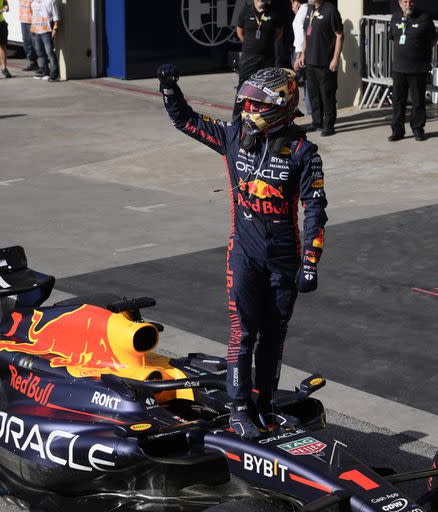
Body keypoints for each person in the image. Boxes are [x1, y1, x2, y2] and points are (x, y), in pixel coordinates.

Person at [157, 64, 327, 438]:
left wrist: (310, 263)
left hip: (285, 260)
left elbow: (315, 209)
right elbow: (185, 121)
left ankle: (264, 404)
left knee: (274, 336)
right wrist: (169, 88)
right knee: (243, 333)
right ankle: (238, 408)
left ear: (281, 106)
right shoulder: (232, 136)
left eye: (255, 105)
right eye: (245, 104)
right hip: (244, 255)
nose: (247, 112)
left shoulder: (304, 152)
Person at [388, 0, 437, 142]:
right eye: (405, 1)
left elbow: (433, 40)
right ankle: (397, 131)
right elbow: (393, 38)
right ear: (400, 3)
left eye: (410, 1)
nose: (408, 4)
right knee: (398, 101)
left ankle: (418, 129)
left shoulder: (424, 18)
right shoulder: (395, 17)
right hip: (399, 68)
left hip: (418, 68)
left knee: (417, 102)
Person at [296, 0, 343, 136]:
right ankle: (317, 121)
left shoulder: (330, 10)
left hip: (325, 63)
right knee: (313, 95)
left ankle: (329, 125)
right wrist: (302, 54)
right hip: (310, 62)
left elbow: (339, 35)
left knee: (327, 95)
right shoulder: (309, 9)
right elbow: (306, 34)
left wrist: (335, 58)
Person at [232, 0, 283, 121]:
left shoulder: (274, 12)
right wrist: (251, 45)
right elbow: (239, 31)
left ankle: (262, 120)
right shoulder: (246, 11)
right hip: (249, 57)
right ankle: (237, 120)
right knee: (244, 88)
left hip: (267, 58)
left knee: (266, 89)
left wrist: (264, 45)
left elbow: (279, 33)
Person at [291, 0, 313, 115]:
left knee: (293, 82)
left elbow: (301, 33)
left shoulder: (304, 10)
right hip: (300, 50)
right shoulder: (305, 10)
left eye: (292, 3)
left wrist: (299, 54)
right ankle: (310, 110)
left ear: (296, 3)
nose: (291, 7)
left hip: (300, 51)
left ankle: (292, 108)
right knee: (306, 81)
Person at [30, 0, 60, 82]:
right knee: (40, 53)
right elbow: (34, 15)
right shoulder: (34, 2)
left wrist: (55, 28)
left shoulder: (51, 1)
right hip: (36, 30)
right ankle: (45, 72)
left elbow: (56, 16)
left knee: (49, 52)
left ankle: (55, 74)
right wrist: (32, 28)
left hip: (46, 31)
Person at [19, 0, 39, 72]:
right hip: (24, 20)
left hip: (34, 21)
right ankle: (33, 63)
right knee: (27, 43)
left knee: (36, 44)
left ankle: (44, 66)